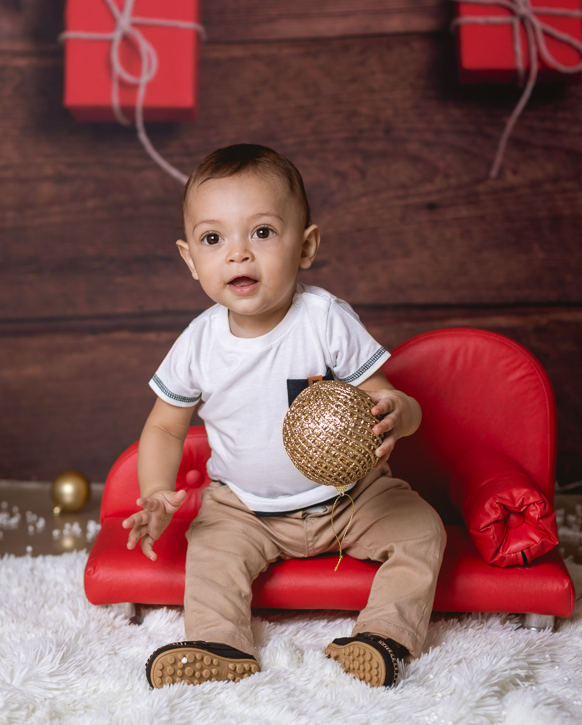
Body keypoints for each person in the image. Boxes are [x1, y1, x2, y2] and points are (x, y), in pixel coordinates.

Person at [123, 144, 446, 689]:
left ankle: (384, 637)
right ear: (190, 259)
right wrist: (155, 490)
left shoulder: (324, 320)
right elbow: (163, 426)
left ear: (307, 246)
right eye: (213, 239)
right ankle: (219, 645)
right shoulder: (199, 343)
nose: (238, 255)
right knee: (209, 551)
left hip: (351, 496)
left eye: (263, 233)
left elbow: (393, 397)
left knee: (422, 533)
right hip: (243, 507)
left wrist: (398, 412)